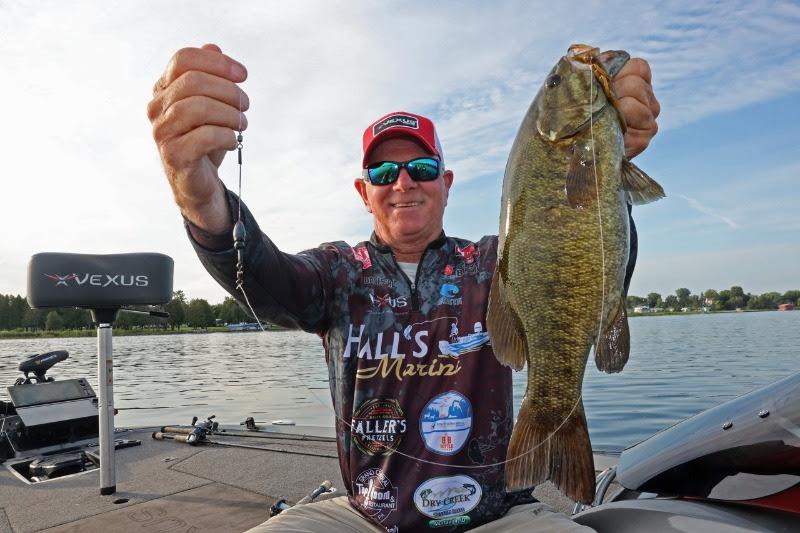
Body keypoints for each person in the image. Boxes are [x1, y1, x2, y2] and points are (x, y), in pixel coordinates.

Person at [148, 43, 659, 532]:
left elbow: (581, 256)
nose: (403, 182)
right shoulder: (336, 271)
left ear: (447, 182)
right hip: (365, 518)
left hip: (500, 517)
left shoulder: (494, 262)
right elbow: (263, 279)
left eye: (421, 167)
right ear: (363, 192)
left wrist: (604, 166)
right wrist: (199, 197)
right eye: (384, 170)